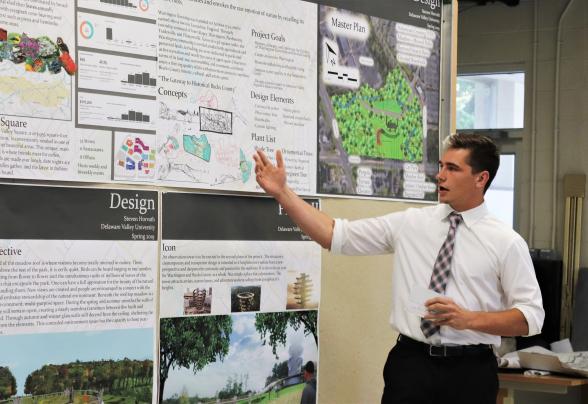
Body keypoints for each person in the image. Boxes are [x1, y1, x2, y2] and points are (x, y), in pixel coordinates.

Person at [253, 133, 544, 404]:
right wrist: (283, 194)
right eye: (441, 166)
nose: (440, 175)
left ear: (481, 178)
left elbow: (530, 317)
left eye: (453, 169)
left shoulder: (506, 242)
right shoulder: (412, 223)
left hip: (470, 371)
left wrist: (468, 319)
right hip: (411, 364)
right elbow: (334, 234)